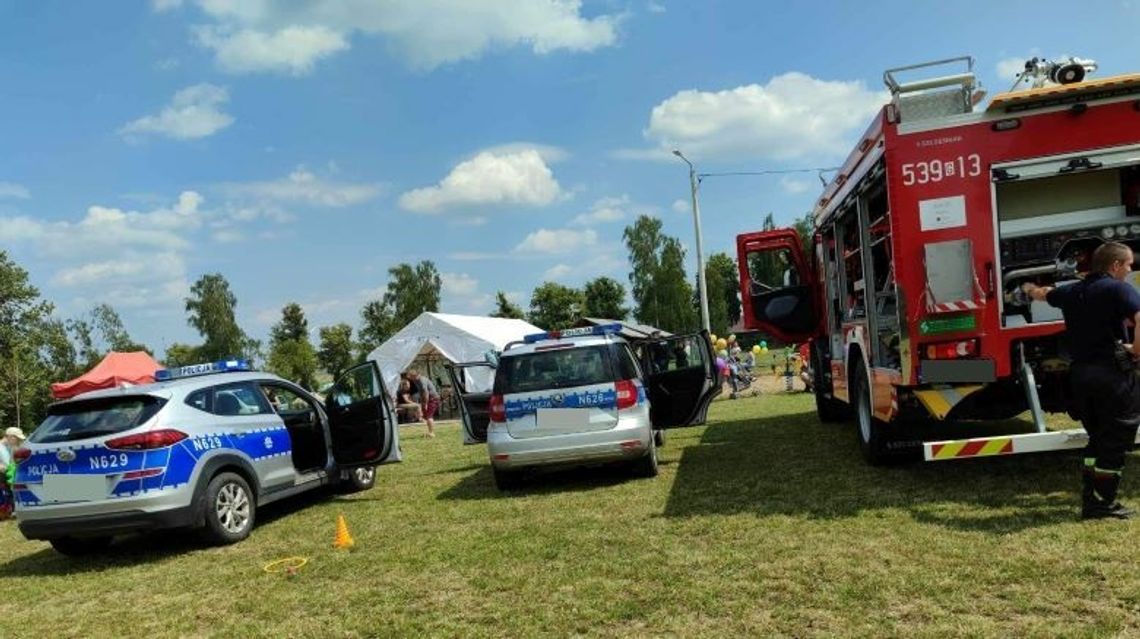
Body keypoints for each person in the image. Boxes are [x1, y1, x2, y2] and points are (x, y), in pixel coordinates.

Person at [1021, 241, 1140, 520]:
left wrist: (1026, 288)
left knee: (1096, 439)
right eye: (1128, 265)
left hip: (1081, 376)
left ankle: (1092, 498)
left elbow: (1044, 294)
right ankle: (1101, 504)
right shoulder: (1118, 288)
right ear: (1115, 266)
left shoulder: (1073, 291)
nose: (1129, 270)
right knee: (1115, 441)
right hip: (1112, 376)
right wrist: (1136, 350)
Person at [0, 427, 25, 520]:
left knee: (10, 494)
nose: (18, 441)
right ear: (10, 437)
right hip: (1, 478)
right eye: (17, 439)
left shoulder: (10, 448)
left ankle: (11, 511)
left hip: (6, 478)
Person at [407, 369, 440, 438]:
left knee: (429, 416)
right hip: (427, 399)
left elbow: (426, 392)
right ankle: (429, 432)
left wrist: (425, 404)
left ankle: (431, 433)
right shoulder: (415, 381)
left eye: (411, 377)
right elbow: (421, 393)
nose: (410, 379)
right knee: (425, 416)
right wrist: (422, 402)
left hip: (432, 399)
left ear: (415, 375)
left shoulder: (422, 380)